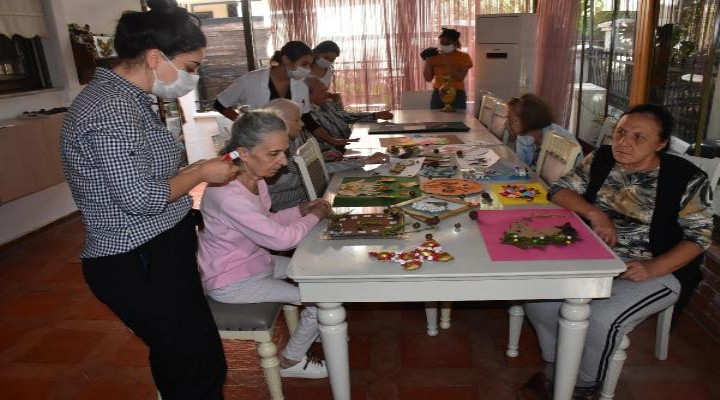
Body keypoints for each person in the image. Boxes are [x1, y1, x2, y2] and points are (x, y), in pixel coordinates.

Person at [60, 1, 239, 398]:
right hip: (136, 256)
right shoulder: (111, 108)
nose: (192, 77)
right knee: (195, 362)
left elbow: (149, 175)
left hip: (159, 246)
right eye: (190, 67)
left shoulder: (131, 99)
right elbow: (140, 198)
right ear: (156, 57)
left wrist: (196, 170)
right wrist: (199, 173)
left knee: (186, 357)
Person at [517, 104, 713, 400]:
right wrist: (596, 214)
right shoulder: (603, 158)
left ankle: (583, 384)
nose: (624, 142)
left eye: (638, 137)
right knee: (539, 298)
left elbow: (700, 237)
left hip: (657, 267)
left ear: (661, 144)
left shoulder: (686, 177)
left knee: (600, 317)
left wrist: (654, 267)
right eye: (621, 132)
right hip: (595, 255)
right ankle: (561, 363)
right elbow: (559, 189)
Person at [197, 111, 332, 379]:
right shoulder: (228, 195)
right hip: (232, 280)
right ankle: (290, 361)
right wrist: (316, 215)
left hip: (256, 262)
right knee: (324, 299)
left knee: (323, 277)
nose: (283, 161)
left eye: (284, 152)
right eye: (273, 154)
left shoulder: (254, 179)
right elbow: (282, 239)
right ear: (244, 153)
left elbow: (267, 221)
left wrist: (301, 210)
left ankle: (320, 330)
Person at [263, 98, 389, 210]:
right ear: (279, 122)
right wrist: (363, 162)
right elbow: (314, 170)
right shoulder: (275, 152)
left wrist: (320, 157)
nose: (302, 124)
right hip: (294, 207)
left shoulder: (285, 143)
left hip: (308, 197)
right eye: (297, 120)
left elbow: (303, 168)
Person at [305, 77, 393, 151]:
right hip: (337, 152)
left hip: (350, 143)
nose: (327, 94)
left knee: (389, 145)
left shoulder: (327, 104)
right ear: (307, 94)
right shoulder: (307, 114)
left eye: (325, 91)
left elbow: (348, 117)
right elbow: (321, 144)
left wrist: (375, 115)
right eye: (322, 92)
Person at [506, 93, 579, 167]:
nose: (508, 124)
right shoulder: (524, 135)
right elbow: (521, 165)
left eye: (512, 120)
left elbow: (553, 175)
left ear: (529, 120)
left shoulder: (556, 139)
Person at [423, 28, 473, 110]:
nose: (444, 45)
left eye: (447, 43)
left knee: (458, 120)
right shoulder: (434, 57)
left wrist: (445, 60)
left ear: (455, 43)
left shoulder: (464, 57)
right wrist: (428, 61)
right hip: (438, 93)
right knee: (436, 120)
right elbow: (428, 78)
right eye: (442, 42)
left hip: (457, 93)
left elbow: (460, 77)